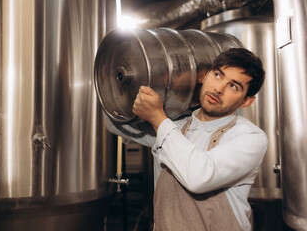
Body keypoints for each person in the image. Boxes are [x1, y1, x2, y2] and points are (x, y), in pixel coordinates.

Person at [104, 48, 267, 231]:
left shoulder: (249, 137)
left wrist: (158, 118)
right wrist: (122, 79)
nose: (219, 89)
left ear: (246, 101)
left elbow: (199, 177)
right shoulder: (174, 126)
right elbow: (112, 123)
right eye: (218, 75)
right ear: (204, 76)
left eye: (233, 86)